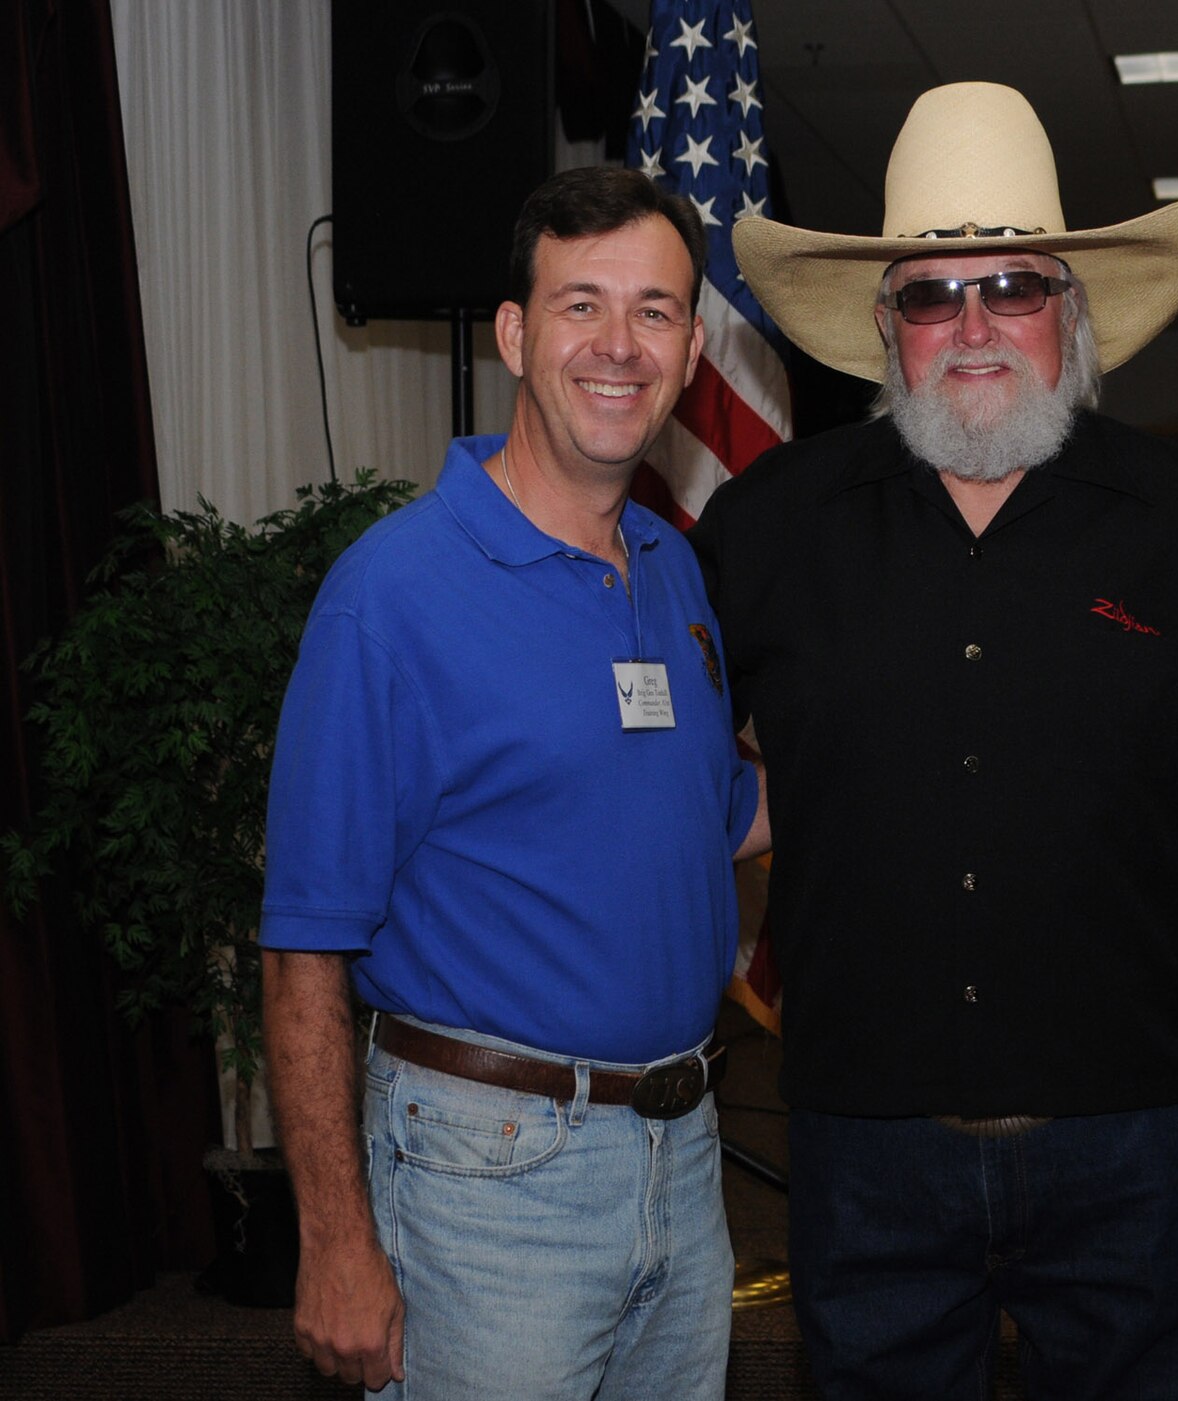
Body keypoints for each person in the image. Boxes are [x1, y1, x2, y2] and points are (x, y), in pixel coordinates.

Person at [692, 83, 1178, 1398]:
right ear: (883, 323)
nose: (972, 327)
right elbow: (670, 757)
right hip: (865, 1145)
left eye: (1013, 285)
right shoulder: (764, 532)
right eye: (930, 295)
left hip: (1136, 1135)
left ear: (1072, 316)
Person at [259, 167, 767, 1399]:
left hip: (683, 1163)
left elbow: (725, 821)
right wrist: (333, 1241)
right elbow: (300, 947)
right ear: (513, 333)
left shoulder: (672, 572)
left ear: (692, 349)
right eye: (579, 304)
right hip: (487, 1184)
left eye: (653, 311)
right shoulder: (393, 593)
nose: (616, 343)